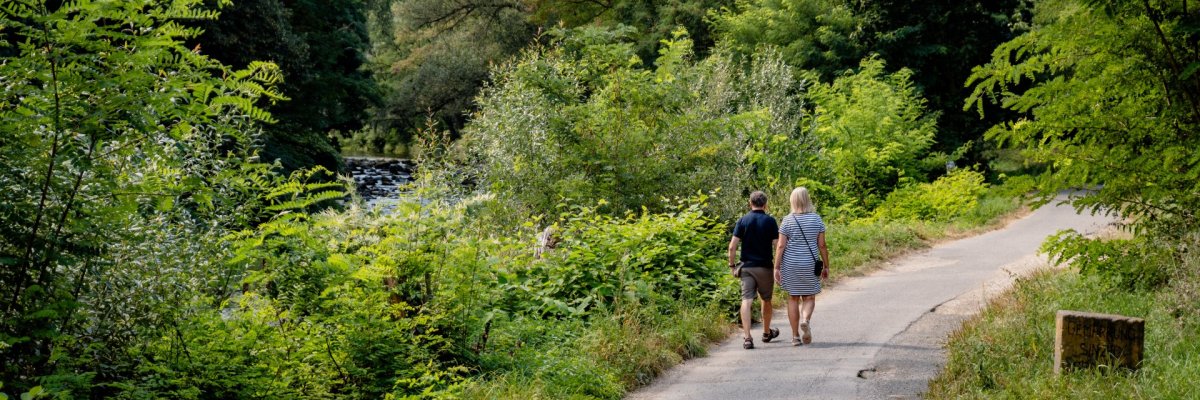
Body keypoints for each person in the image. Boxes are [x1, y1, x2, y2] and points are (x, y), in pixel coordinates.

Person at [774, 187, 829, 346]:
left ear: (792, 200)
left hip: (790, 264)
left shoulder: (787, 220)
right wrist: (826, 265)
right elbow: (822, 245)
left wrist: (776, 267)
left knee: (792, 298)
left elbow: (781, 246)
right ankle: (805, 320)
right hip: (810, 264)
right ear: (807, 199)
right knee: (809, 296)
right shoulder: (816, 219)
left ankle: (795, 337)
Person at [728, 191, 780, 349]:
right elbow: (777, 245)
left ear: (750, 203)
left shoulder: (743, 220)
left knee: (746, 300)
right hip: (765, 267)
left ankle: (748, 337)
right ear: (765, 204)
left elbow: (732, 246)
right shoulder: (770, 221)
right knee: (766, 300)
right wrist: (779, 265)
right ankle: (766, 332)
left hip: (747, 267)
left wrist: (732, 265)